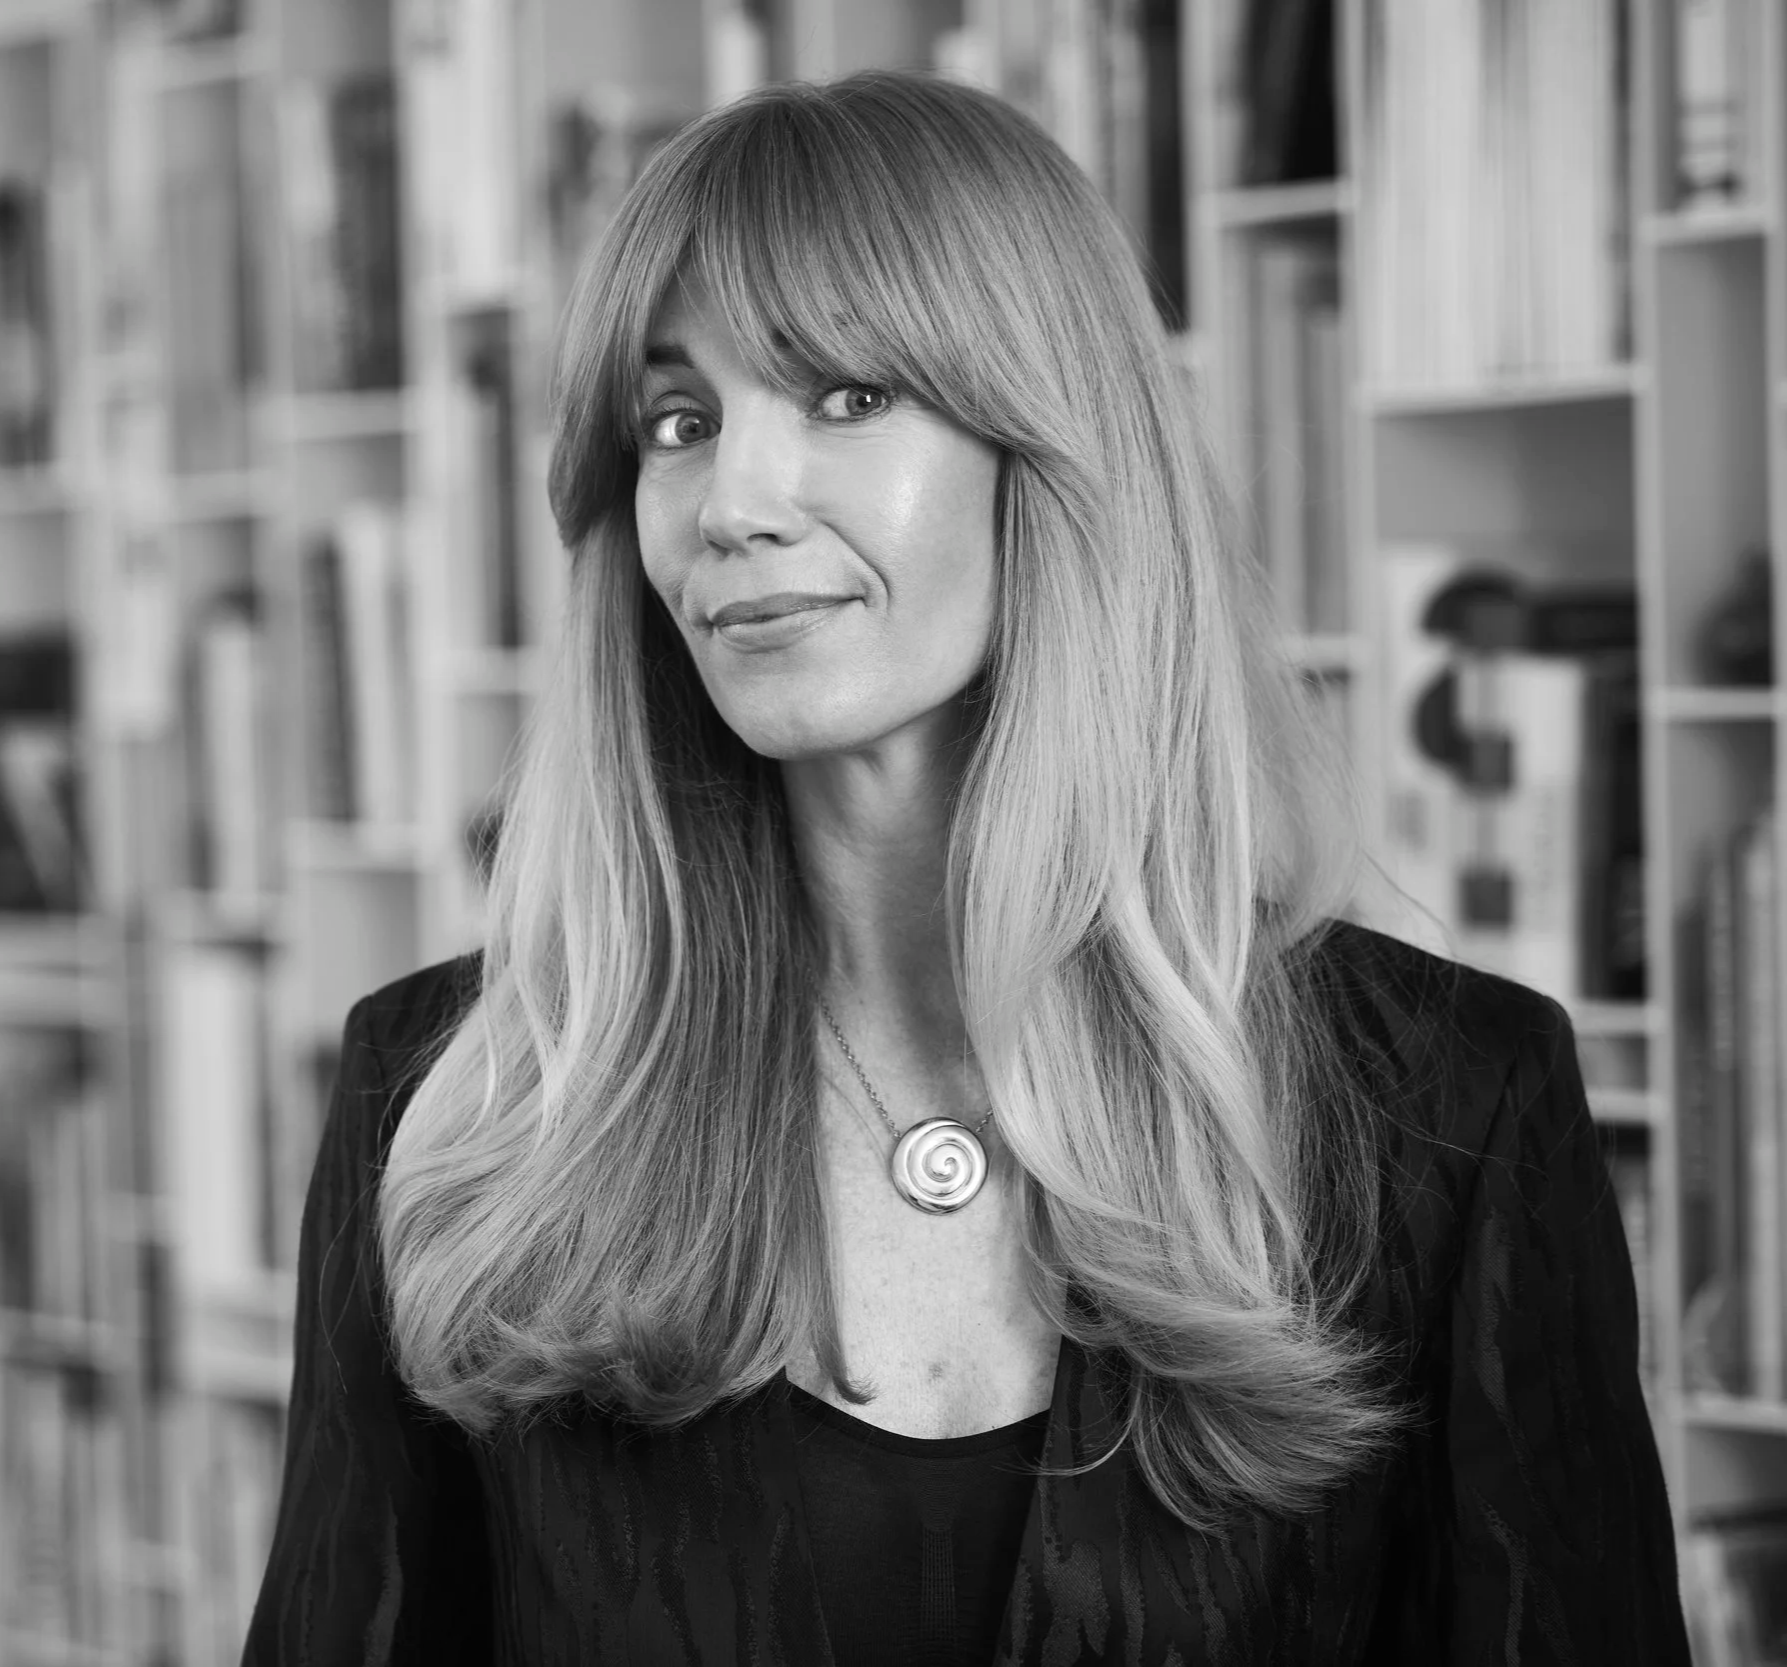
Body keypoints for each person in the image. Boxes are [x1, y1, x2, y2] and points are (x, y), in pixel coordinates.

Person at [243, 69, 1691, 1666]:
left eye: (848, 396)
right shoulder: (448, 1100)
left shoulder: (1445, 1110)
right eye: (679, 421)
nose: (731, 502)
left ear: (1052, 452)